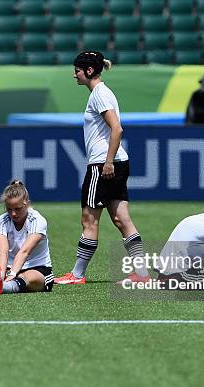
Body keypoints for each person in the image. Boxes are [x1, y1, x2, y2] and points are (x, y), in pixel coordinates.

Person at [54, 50, 150, 285]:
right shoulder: (101, 93)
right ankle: (143, 274)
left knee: (89, 220)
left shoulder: (100, 94)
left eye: (76, 70)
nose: (74, 75)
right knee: (121, 219)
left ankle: (76, 275)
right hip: (118, 162)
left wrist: (107, 162)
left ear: (88, 71)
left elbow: (117, 129)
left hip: (102, 164)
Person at [0, 180, 54, 295]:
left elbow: (24, 252)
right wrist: (1, 275)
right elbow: (3, 253)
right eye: (9, 209)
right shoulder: (0, 222)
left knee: (29, 278)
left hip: (38, 269)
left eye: (18, 209)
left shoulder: (37, 220)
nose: (14, 213)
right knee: (6, 275)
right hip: (10, 268)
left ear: (27, 204)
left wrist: (12, 275)